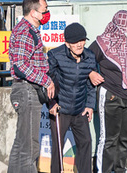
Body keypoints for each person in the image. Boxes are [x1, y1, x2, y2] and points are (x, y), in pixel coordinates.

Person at [89, 10, 127, 173]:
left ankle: (120, 169)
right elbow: (87, 60)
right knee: (109, 139)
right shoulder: (102, 43)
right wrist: (91, 72)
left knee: (126, 138)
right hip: (110, 95)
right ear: (121, 24)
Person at [8, 0, 55, 173]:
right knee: (29, 146)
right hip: (26, 90)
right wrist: (46, 80)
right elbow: (20, 65)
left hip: (28, 90)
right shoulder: (25, 31)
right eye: (44, 10)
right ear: (34, 12)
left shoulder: (30, 30)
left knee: (22, 143)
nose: (47, 13)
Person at [46, 22, 97, 173]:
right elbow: (48, 81)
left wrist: (89, 105)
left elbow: (91, 84)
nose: (79, 44)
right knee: (58, 146)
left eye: (82, 40)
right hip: (61, 108)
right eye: (75, 42)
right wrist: (52, 103)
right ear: (67, 43)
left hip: (80, 108)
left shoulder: (90, 57)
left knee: (86, 142)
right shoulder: (55, 55)